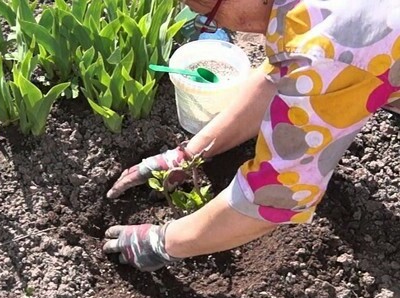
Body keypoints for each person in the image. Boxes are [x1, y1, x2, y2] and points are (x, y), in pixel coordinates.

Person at [103, 0, 400, 271]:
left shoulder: (325, 54)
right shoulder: (304, 19)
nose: (216, 26)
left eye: (208, 16)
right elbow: (278, 77)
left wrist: (163, 241)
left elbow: (277, 193)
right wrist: (185, 157)